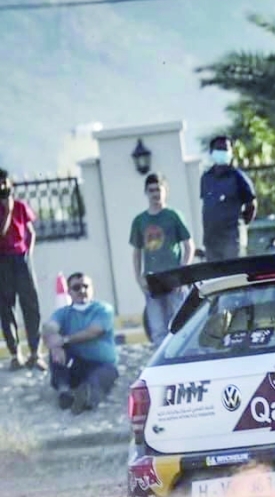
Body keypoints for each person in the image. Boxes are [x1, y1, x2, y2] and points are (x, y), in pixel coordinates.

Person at [129, 173, 194, 347]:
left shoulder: (173, 216)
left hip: (174, 277)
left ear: (165, 191)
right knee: (158, 328)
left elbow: (189, 246)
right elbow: (136, 252)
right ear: (146, 192)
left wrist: (183, 274)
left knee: (182, 323)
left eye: (158, 189)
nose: (155, 194)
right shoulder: (140, 221)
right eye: (151, 190)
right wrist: (138, 278)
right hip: (152, 279)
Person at [41, 272, 118, 415]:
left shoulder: (103, 309)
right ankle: (64, 391)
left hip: (103, 365)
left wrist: (64, 340)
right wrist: (55, 344)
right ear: (69, 292)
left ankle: (86, 398)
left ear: (92, 289)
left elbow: (94, 331)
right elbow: (49, 327)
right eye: (76, 287)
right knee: (56, 351)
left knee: (98, 381)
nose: (82, 291)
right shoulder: (63, 313)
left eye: (85, 286)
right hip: (76, 365)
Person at [0, 169, 45, 371]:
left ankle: (36, 352)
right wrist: (7, 212)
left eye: (4, 183)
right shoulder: (8, 209)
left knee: (31, 304)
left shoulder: (21, 206)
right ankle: (15, 353)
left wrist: (29, 252)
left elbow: (30, 232)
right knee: (6, 308)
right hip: (3, 260)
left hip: (21, 258)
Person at [199, 135, 257, 261]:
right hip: (211, 240)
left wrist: (241, 224)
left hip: (232, 239)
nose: (222, 152)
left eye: (225, 149)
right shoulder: (206, 178)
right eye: (218, 149)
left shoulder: (238, 177)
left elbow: (251, 204)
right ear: (211, 152)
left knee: (233, 273)